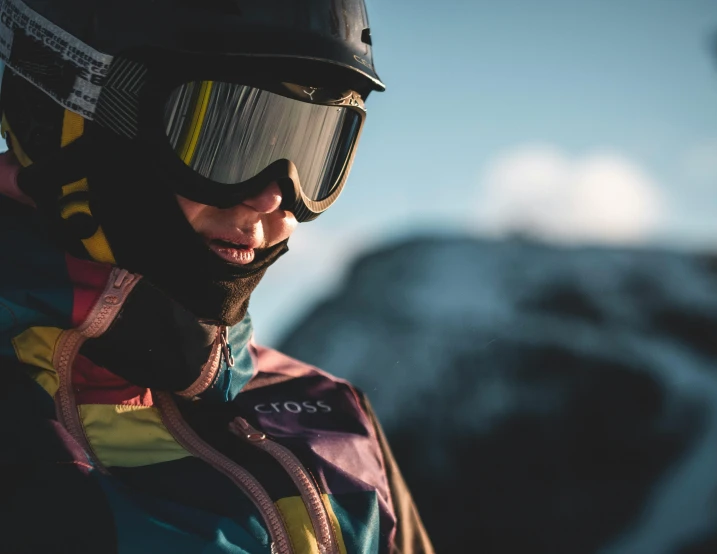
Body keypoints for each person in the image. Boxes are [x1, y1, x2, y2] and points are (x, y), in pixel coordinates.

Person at [0, 0, 434, 552]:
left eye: (313, 150)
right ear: (65, 124)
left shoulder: (334, 419)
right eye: (227, 140)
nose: (274, 199)